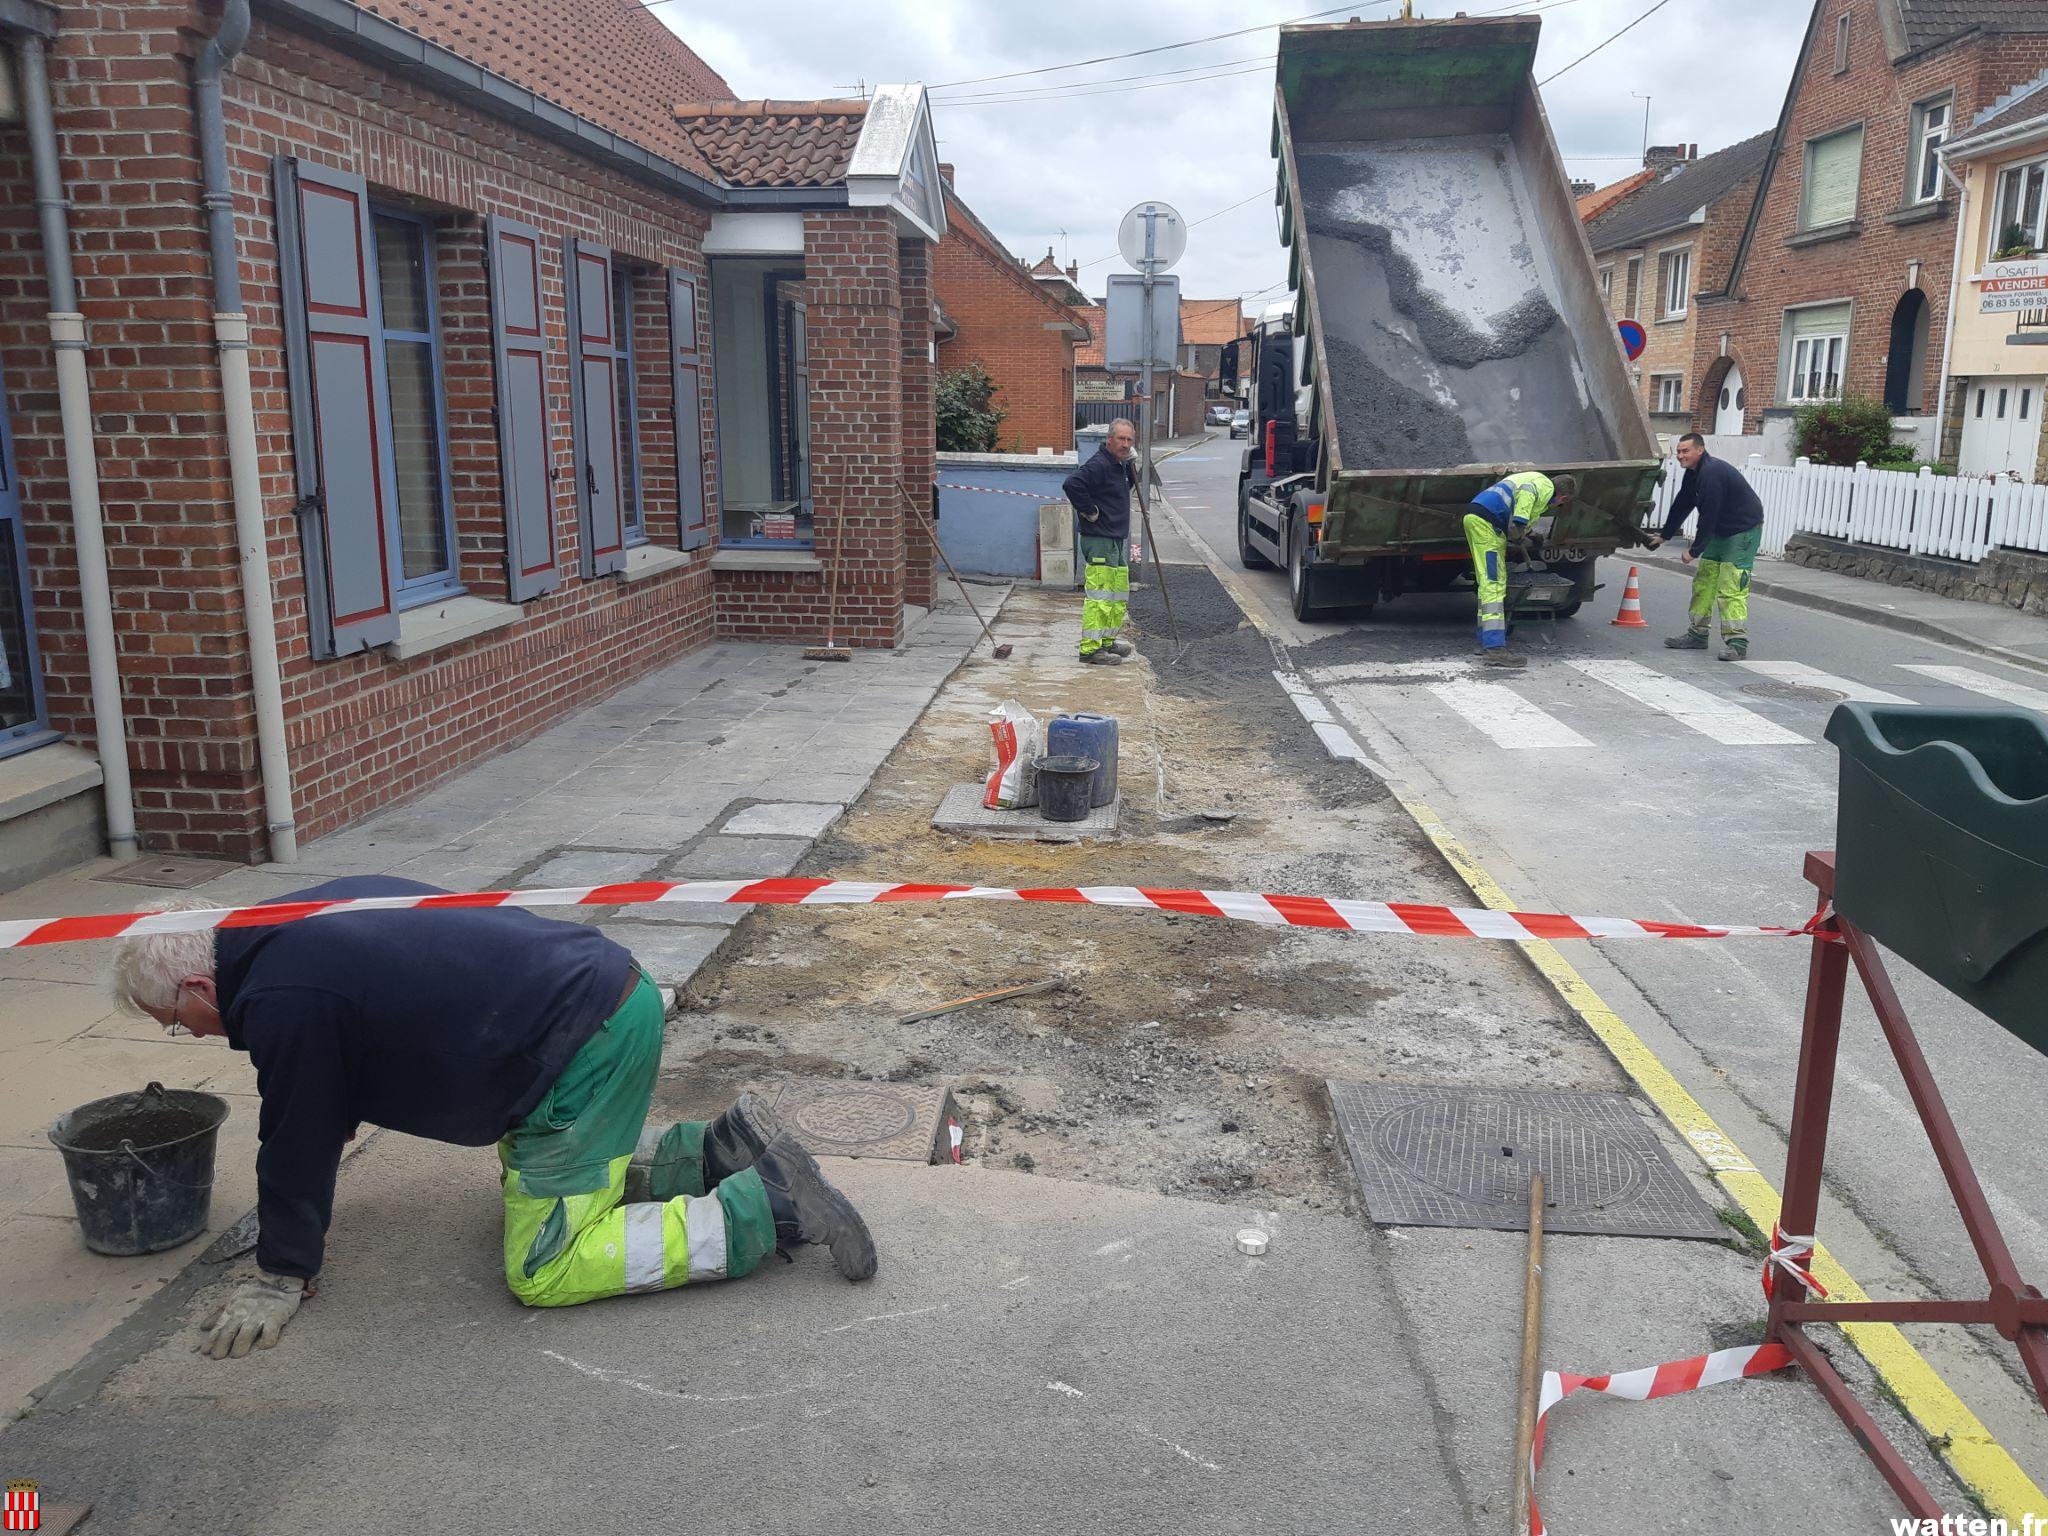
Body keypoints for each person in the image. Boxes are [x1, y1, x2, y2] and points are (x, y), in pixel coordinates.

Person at [111, 876, 876, 1360]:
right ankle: (712, 1153)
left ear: (198, 986)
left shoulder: (280, 1000)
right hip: (598, 993)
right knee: (528, 1176)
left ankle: (765, 1207)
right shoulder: (286, 922)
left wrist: (282, 1272)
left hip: (582, 1045)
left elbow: (296, 1131)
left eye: (175, 1020)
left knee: (548, 1266)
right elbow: (378, 1004)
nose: (188, 1033)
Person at [1649, 432, 1765, 660]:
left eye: (1685, 451)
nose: (1680, 456)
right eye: (1678, 452)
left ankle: (1737, 643)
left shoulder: (1711, 473)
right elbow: (1683, 502)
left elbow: (1708, 515)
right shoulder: (1694, 473)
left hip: (1742, 531)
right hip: (1721, 530)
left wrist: (1694, 551)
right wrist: (1665, 535)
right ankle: (1697, 635)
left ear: (1699, 450)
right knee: (1704, 582)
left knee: (1731, 586)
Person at [1463, 468, 1576, 656]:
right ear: (1562, 497)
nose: (1559, 504)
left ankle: (1486, 640)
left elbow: (1521, 518)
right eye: (1563, 502)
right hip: (1487, 524)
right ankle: (1494, 648)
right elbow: (1522, 506)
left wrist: (1532, 536)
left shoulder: (1538, 482)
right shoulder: (1544, 487)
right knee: (1494, 583)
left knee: (1487, 584)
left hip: (1482, 521)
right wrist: (1520, 531)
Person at [1061, 417, 1139, 665]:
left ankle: (1106, 641)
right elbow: (1072, 484)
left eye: (1129, 440)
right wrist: (1088, 511)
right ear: (1109, 439)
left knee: (1116, 596)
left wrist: (1129, 467)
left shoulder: (1118, 465)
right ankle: (1090, 649)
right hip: (1100, 539)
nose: (1125, 444)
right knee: (1100, 598)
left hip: (1115, 538)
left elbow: (1116, 494)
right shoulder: (1100, 464)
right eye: (1121, 439)